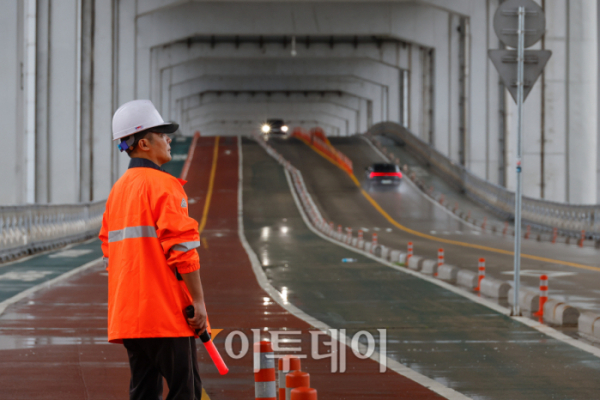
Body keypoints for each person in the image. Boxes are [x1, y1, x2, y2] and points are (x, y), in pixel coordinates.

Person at [99, 99, 207, 400]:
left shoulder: (117, 191)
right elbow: (183, 249)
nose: (169, 140)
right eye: (162, 134)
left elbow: (110, 252)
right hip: (166, 314)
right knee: (185, 392)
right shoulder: (165, 185)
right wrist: (198, 301)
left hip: (129, 317)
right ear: (144, 143)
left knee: (143, 392)